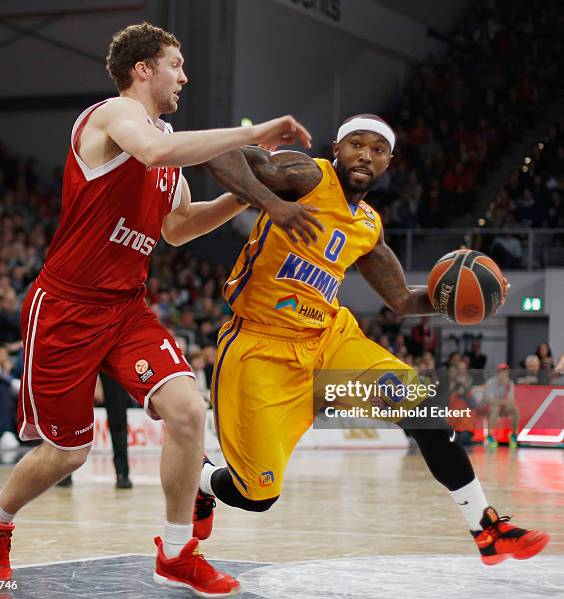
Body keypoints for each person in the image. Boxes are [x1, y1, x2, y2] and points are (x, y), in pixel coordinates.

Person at [0, 22, 320, 596]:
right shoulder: (110, 117)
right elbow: (154, 149)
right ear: (143, 69)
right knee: (67, 453)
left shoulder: (166, 143)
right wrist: (249, 134)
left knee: (186, 410)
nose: (184, 76)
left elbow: (178, 228)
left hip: (127, 308)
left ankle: (177, 553)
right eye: (176, 65)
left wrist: (251, 194)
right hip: (66, 307)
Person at [195, 114, 549, 568]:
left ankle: (486, 529)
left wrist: (459, 303)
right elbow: (216, 152)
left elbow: (402, 300)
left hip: (329, 344)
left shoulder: (367, 225)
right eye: (357, 144)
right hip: (260, 347)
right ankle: (202, 481)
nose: (366, 154)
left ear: (388, 162)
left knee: (424, 411)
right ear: (337, 149)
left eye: (377, 149)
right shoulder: (304, 175)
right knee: (256, 495)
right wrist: (273, 204)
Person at [483, 363, 519, 449]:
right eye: (502, 372)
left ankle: (513, 436)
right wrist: (503, 402)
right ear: (497, 373)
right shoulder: (490, 383)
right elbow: (490, 401)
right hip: (489, 408)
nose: (504, 374)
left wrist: (500, 401)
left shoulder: (510, 383)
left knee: (514, 409)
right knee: (495, 409)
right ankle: (490, 437)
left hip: (502, 407)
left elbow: (511, 401)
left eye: (506, 372)